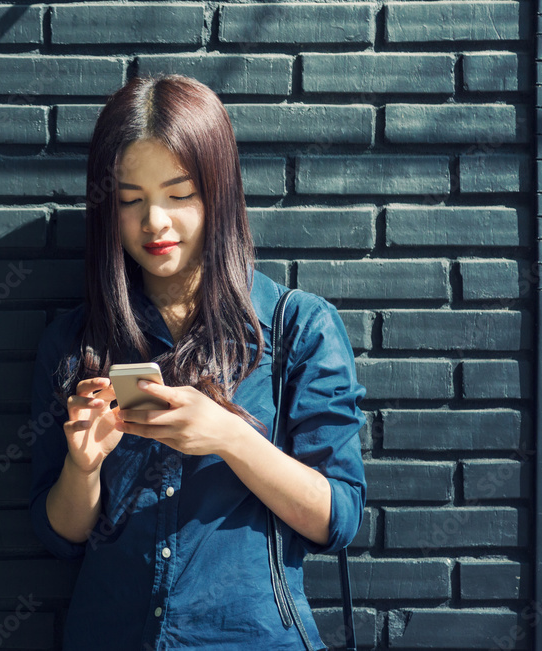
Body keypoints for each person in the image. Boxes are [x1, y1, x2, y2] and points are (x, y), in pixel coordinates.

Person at [28, 73, 367, 650]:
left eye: (178, 195)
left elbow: (337, 519)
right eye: (131, 200)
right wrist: (82, 469)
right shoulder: (73, 342)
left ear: (218, 192)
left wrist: (230, 437)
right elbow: (60, 536)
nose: (154, 222)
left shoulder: (298, 327)